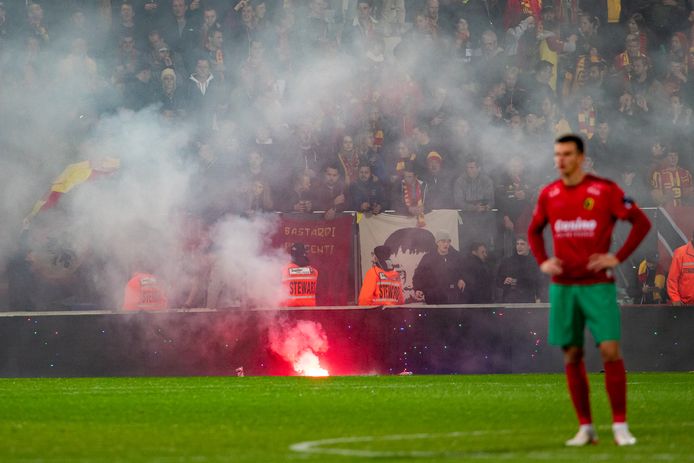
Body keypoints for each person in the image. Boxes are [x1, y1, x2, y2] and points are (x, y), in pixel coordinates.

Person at [528, 134, 652, 447]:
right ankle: (586, 427)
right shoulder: (549, 193)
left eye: (567, 154)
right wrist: (543, 261)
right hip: (563, 287)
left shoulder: (605, 189)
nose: (561, 160)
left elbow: (641, 223)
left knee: (609, 350)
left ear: (581, 157)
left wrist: (616, 257)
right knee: (572, 354)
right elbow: (533, 231)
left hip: (598, 285)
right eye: (557, 154)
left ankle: (620, 425)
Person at [412, 230, 465, 304]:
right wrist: (418, 289)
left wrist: (461, 278)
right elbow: (418, 275)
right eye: (443, 241)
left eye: (448, 241)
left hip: (452, 297)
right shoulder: (428, 258)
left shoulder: (456, 257)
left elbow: (464, 270)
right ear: (437, 243)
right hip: (433, 297)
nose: (446, 244)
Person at [496, 235, 540, 303]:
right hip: (509, 299)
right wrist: (504, 280)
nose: (519, 246)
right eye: (517, 244)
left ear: (529, 246)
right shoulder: (508, 261)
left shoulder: (534, 262)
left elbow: (538, 282)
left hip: (527, 299)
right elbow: (497, 279)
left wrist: (518, 282)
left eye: (522, 244)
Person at [282, 242, 319, 307]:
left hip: (290, 312)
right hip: (310, 312)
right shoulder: (314, 272)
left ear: (292, 256)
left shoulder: (285, 271)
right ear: (305, 255)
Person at [667, 231, 694, 306]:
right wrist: (675, 299)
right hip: (684, 305)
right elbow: (672, 279)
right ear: (692, 238)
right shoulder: (680, 253)